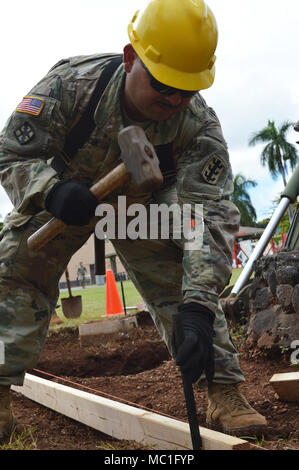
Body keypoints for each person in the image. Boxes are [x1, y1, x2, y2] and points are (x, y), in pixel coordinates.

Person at [0, 0, 267, 442]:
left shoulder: (198, 126)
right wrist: (49, 189)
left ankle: (223, 392)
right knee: (15, 269)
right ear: (130, 59)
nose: (174, 100)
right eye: (163, 85)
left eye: (186, 89)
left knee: (184, 286)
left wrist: (200, 303)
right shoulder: (73, 85)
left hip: (143, 209)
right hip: (62, 199)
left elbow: (211, 215)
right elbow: (10, 153)